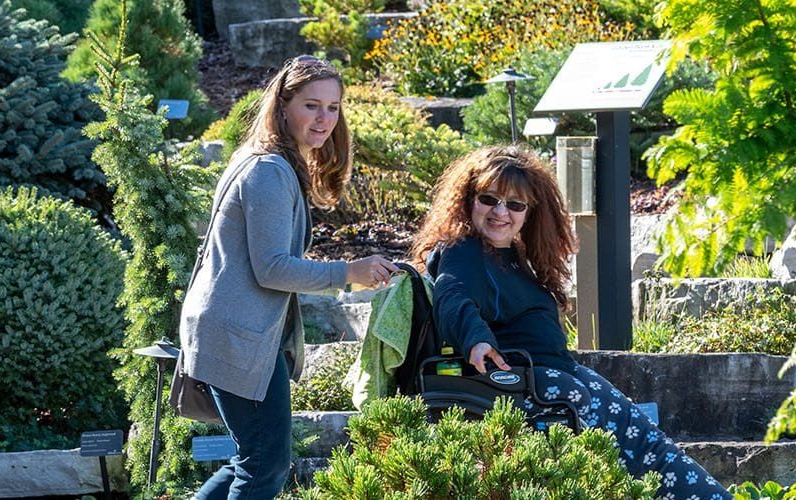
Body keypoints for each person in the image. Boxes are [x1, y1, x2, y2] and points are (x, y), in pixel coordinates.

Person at [412, 145, 730, 499]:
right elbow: (453, 294)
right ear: (468, 199)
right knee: (640, 455)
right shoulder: (464, 250)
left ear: (530, 212)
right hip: (528, 386)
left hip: (555, 378)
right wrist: (475, 339)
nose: (501, 212)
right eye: (489, 199)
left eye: (515, 205)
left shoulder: (512, 256)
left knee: (650, 445)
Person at [175, 55, 398, 499]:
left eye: (333, 108)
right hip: (237, 335)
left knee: (254, 459)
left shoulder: (265, 162)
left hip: (232, 329)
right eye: (311, 105)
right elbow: (272, 268)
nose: (324, 119)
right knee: (263, 466)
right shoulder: (269, 171)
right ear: (283, 105)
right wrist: (348, 272)